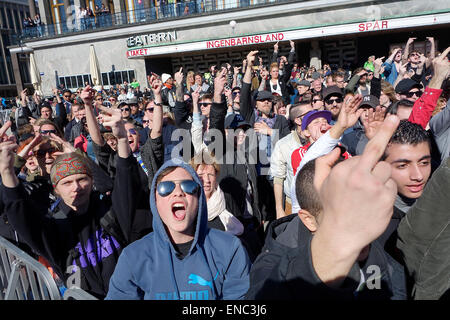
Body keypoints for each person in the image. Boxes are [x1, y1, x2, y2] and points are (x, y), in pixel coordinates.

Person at [245, 114, 406, 300]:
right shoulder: (271, 265)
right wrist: (334, 251)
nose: (355, 225)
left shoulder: (378, 251)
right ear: (308, 219)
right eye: (337, 214)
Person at [0, 104, 142, 299]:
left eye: (82, 179)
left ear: (91, 181)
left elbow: (126, 182)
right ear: (56, 189)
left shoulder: (111, 213)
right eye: (67, 182)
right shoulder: (53, 225)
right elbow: (20, 214)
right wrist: (7, 171)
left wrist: (122, 139)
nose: (76, 187)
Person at [105, 158, 251, 300]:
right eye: (165, 188)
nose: (178, 192)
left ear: (198, 198)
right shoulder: (133, 257)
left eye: (188, 186)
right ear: (155, 200)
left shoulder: (230, 249)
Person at [270, 101, 312, 218]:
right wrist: (279, 209)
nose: (314, 116)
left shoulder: (322, 140)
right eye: (310, 114)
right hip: (294, 204)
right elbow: (278, 178)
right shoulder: (283, 144)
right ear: (298, 120)